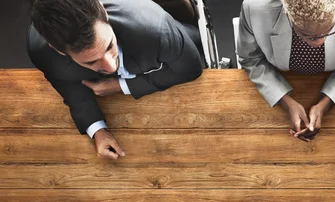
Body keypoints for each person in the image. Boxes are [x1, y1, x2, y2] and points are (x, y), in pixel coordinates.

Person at [27, 0, 204, 160]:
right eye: (91, 61)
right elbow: (67, 85)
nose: (111, 66)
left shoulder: (154, 27)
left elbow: (190, 68)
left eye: (109, 45)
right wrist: (97, 131)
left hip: (177, 43)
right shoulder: (42, 52)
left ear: (103, 12)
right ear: (58, 51)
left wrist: (122, 85)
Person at [238, 0, 335, 141]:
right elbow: (251, 59)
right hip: (277, 78)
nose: (319, 43)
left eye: (329, 30)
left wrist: (327, 102)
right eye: (307, 35)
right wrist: (284, 101)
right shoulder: (255, 7)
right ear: (288, 15)